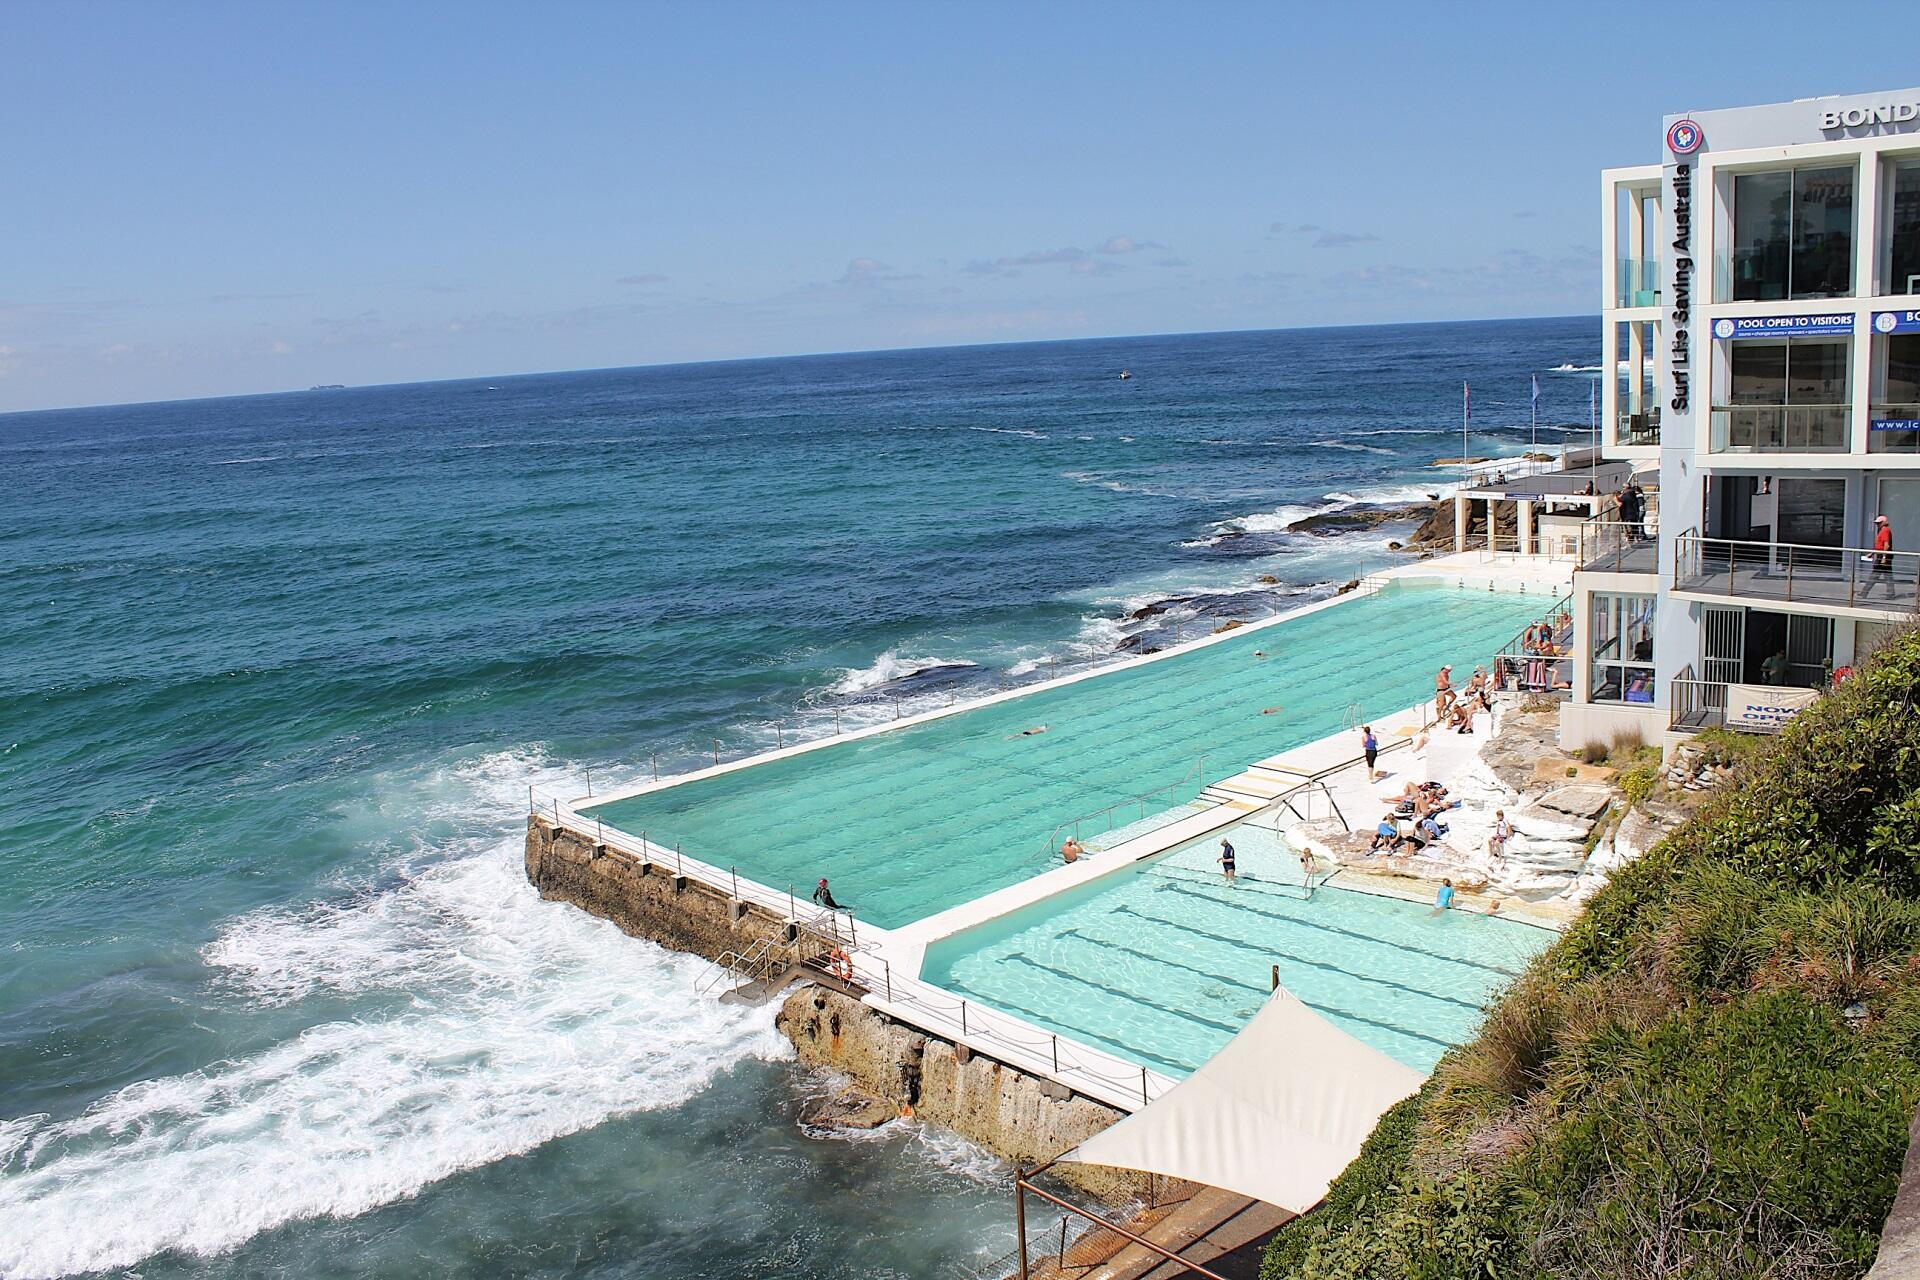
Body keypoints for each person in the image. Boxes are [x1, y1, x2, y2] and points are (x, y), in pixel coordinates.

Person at [1870, 514, 1894, 598]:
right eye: (1877, 523)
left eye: (1879, 523)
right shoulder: (1883, 530)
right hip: (1883, 555)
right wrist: (1872, 553)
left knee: (1875, 575)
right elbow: (1880, 545)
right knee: (1887, 576)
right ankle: (1890, 594)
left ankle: (1863, 593)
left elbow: (1886, 545)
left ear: (1884, 522)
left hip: (1883, 556)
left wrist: (1884, 557)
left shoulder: (1885, 530)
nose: (1877, 525)